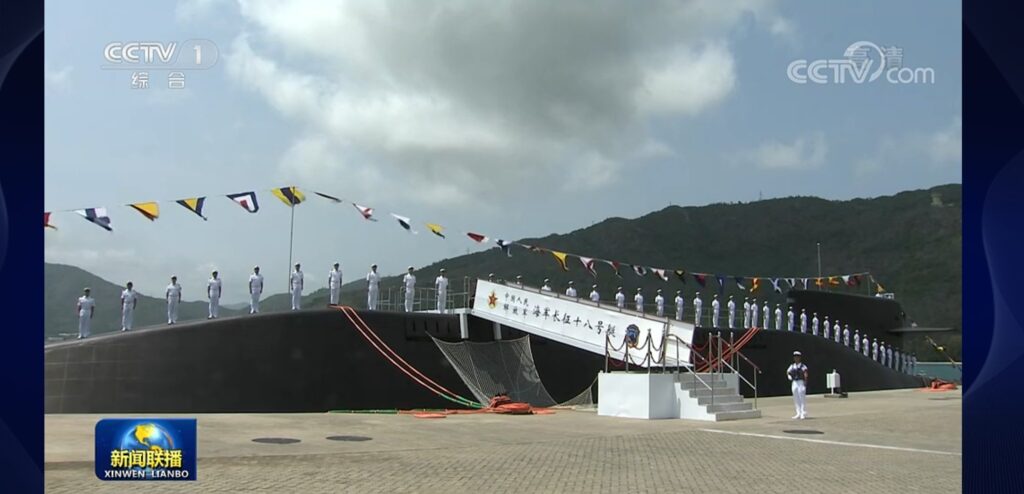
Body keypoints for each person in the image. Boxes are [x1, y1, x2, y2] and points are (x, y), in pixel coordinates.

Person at [786, 351, 809, 419]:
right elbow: (787, 372)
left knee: (802, 398)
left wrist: (805, 383)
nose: (796, 358)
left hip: (801, 382)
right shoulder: (792, 366)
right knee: (796, 398)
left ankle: (803, 413)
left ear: (800, 358)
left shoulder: (803, 366)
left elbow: (805, 374)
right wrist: (789, 376)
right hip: (794, 382)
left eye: (797, 357)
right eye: (795, 357)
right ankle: (798, 412)